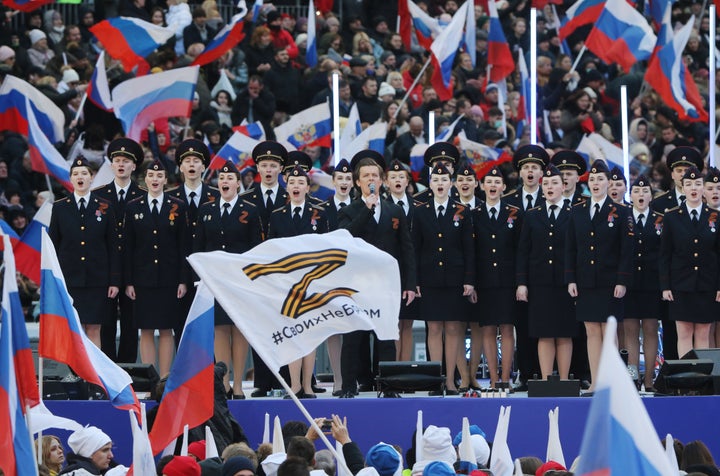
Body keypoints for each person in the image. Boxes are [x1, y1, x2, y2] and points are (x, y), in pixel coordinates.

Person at [338, 150, 416, 398]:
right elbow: (345, 238)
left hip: (385, 284)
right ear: (357, 181)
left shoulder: (395, 211)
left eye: (375, 174)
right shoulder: (349, 211)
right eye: (366, 175)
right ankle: (349, 385)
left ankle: (389, 385)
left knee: (386, 335)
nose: (371, 178)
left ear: (381, 180)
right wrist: (366, 209)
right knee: (353, 336)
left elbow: (407, 249)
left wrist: (410, 283)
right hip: (356, 284)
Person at [194, 160, 263, 399]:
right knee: (220, 329)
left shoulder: (250, 210)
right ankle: (222, 383)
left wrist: (253, 280)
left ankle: (239, 384)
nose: (225, 182)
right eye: (222, 179)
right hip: (215, 280)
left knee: (240, 329)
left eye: (230, 179)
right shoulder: (207, 210)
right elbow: (199, 247)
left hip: (240, 280)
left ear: (238, 183)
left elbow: (256, 249)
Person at [565, 160, 634, 391]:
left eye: (600, 179)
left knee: (609, 331)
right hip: (585, 280)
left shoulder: (621, 212)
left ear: (608, 183)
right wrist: (571, 279)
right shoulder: (578, 211)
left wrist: (622, 279)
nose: (596, 183)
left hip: (610, 281)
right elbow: (571, 247)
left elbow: (627, 249)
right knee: (591, 332)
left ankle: (611, 383)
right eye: (592, 179)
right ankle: (595, 382)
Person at [412, 160, 474, 394]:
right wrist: (415, 281)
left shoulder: (461, 210)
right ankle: (435, 379)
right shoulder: (420, 211)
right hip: (429, 279)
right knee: (434, 328)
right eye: (435, 180)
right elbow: (415, 248)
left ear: (451, 184)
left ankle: (450, 379)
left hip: (455, 279)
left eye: (444, 180)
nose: (440, 183)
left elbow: (468, 248)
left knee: (454, 330)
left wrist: (469, 279)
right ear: (430, 184)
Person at [268, 166, 329, 398]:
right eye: (292, 182)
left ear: (307, 187)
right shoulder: (277, 215)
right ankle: (293, 385)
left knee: (309, 334)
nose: (296, 186)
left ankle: (307, 384)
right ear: (286, 186)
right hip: (285, 283)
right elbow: (270, 251)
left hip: (311, 282)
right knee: (291, 333)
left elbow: (325, 249)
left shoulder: (318, 213)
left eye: (300, 183)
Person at [124, 159, 189, 377]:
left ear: (166, 180)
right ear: (145, 179)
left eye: (159, 176)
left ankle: (165, 377)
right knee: (146, 329)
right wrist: (129, 281)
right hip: (142, 279)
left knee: (167, 329)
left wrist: (183, 279)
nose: (155, 180)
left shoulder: (177, 206)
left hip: (169, 278)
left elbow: (183, 246)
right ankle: (150, 378)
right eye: (151, 176)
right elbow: (129, 246)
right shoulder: (133, 207)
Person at [49, 158, 120, 348]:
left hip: (98, 279)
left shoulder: (104, 206)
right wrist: (54, 280)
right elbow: (53, 246)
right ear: (71, 179)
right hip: (70, 279)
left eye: (84, 173)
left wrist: (114, 280)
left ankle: (95, 375)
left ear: (91, 177)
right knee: (75, 328)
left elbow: (113, 246)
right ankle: (77, 374)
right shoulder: (60, 207)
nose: (80, 177)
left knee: (94, 328)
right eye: (76, 174)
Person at [239, 140, 289, 397]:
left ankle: (286, 379)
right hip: (258, 274)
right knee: (260, 327)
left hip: (285, 274)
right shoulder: (246, 199)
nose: (268, 170)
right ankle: (263, 380)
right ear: (257, 168)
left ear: (281, 169)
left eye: (273, 165)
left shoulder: (291, 196)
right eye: (264, 165)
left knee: (286, 325)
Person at [516, 164, 576, 379]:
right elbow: (523, 251)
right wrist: (522, 283)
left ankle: (563, 379)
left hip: (565, 283)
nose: (550, 187)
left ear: (564, 186)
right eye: (547, 183)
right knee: (543, 333)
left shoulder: (573, 214)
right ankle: (544, 379)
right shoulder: (532, 215)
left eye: (555, 183)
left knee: (564, 332)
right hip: (539, 283)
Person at [660, 165, 720, 358]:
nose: (693, 188)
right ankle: (686, 381)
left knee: (703, 334)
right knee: (684, 333)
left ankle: (702, 383)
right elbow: (665, 254)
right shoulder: (671, 217)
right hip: (680, 285)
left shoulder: (715, 216)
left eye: (697, 184)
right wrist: (665, 285)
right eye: (689, 184)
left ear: (703, 187)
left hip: (707, 284)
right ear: (682, 188)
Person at [94, 138, 144, 362]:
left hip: (135, 268)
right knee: (105, 322)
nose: (121, 164)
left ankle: (128, 369)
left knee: (131, 323)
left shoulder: (143, 195)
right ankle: (108, 368)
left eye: (126, 161)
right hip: (105, 269)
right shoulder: (99, 195)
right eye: (117, 160)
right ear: (111, 165)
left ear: (134, 166)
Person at [652, 147, 704, 361]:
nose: (683, 174)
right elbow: (658, 246)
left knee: (702, 331)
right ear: (672, 174)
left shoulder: (706, 202)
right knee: (672, 329)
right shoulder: (660, 204)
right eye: (679, 170)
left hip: (703, 279)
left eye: (688, 170)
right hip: (673, 279)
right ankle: (672, 378)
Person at [473, 166, 522, 389]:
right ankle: (493, 379)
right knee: (488, 329)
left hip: (508, 280)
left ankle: (506, 378)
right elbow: (470, 251)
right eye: (488, 182)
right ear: (482, 187)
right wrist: (472, 282)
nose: (492, 186)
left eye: (497, 182)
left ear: (503, 187)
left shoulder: (514, 213)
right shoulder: (474, 215)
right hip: (484, 281)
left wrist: (520, 281)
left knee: (507, 328)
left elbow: (521, 250)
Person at [167, 139, 219, 345]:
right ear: (180, 166)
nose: (191, 165)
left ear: (204, 166)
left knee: (211, 327)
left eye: (196, 161)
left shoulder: (216, 197)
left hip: (208, 273)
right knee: (180, 325)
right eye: (187, 161)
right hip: (177, 271)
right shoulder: (169, 198)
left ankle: (213, 374)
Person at [623, 175, 662, 391]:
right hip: (629, 282)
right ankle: (632, 377)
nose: (641, 195)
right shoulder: (624, 218)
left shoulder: (660, 219)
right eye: (637, 191)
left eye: (645, 191)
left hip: (651, 282)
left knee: (649, 329)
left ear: (651, 195)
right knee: (630, 331)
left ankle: (649, 378)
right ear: (631, 195)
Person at [384, 159, 417, 362]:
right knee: (392, 323)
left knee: (407, 323)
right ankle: (393, 369)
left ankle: (404, 367)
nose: (397, 180)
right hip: (389, 271)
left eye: (401, 177)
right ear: (386, 182)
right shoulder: (382, 206)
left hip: (409, 270)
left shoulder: (418, 206)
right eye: (393, 177)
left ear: (407, 182)